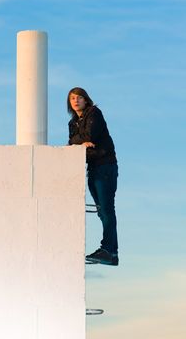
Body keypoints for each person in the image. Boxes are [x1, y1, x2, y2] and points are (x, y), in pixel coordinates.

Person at [67, 87, 119, 266]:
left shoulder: (94, 113)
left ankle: (110, 251)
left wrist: (80, 142)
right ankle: (109, 251)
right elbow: (71, 142)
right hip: (93, 168)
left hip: (105, 166)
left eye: (79, 97)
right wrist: (80, 143)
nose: (76, 101)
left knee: (106, 209)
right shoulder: (73, 122)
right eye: (72, 98)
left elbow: (89, 136)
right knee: (101, 211)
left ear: (86, 100)